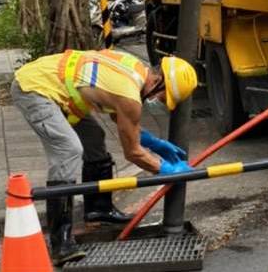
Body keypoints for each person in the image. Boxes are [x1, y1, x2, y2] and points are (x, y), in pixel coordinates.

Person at [11, 49, 198, 265]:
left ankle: (98, 210)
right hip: (34, 89)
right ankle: (60, 242)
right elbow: (133, 152)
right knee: (68, 150)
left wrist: (156, 144)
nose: (157, 100)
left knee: (94, 138)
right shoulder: (128, 94)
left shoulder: (134, 69)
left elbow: (121, 119)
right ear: (158, 79)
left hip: (55, 86)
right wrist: (165, 169)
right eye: (162, 96)